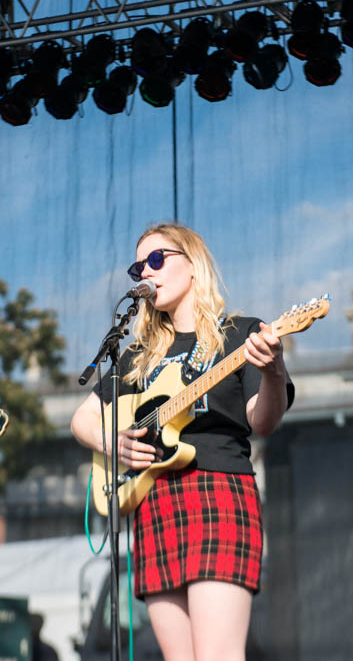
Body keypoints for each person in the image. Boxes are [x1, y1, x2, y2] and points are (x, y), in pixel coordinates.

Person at [70, 223, 293, 660]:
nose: (146, 273)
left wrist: (273, 370)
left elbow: (263, 422)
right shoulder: (138, 355)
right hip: (153, 502)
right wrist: (111, 442)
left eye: (157, 260)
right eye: (139, 267)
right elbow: (81, 419)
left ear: (193, 265)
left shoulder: (239, 334)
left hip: (219, 494)